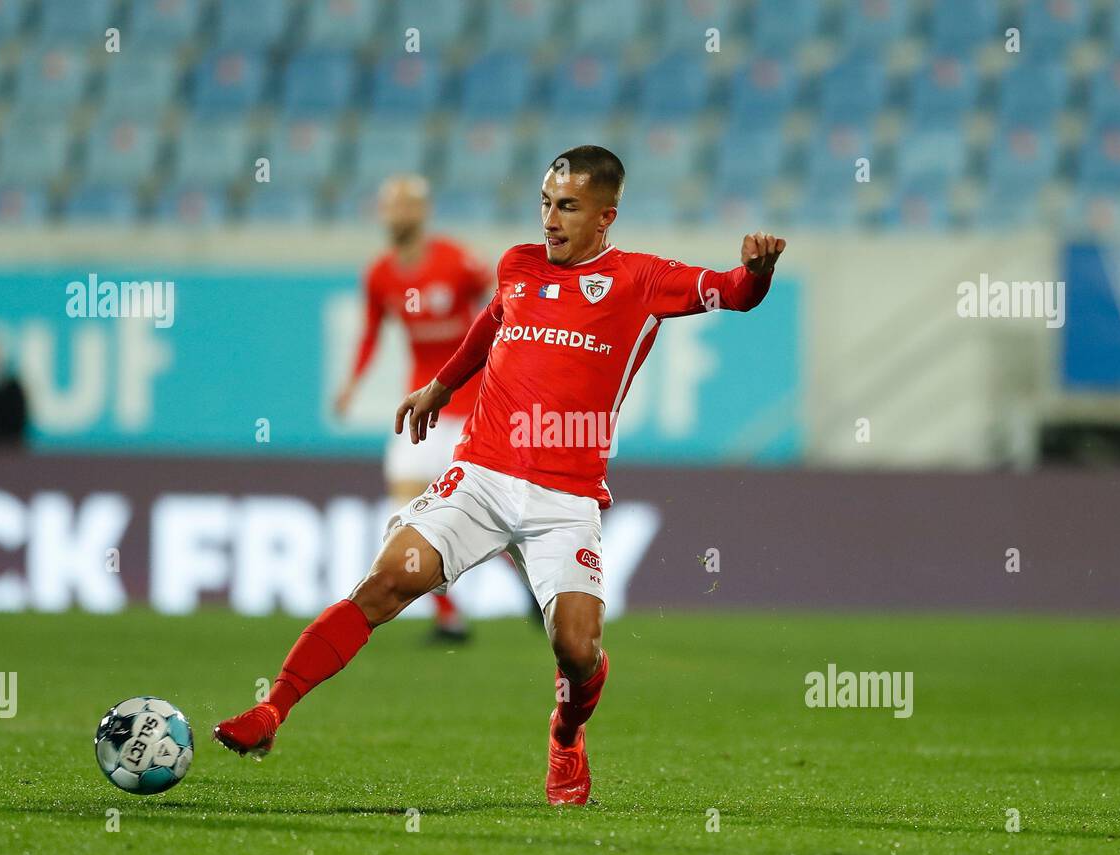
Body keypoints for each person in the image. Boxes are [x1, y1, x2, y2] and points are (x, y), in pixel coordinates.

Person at [216, 145, 785, 805]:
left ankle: (566, 735)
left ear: (606, 216)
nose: (550, 219)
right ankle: (270, 712)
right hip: (482, 475)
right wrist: (440, 385)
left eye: (567, 207)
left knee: (577, 648)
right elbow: (491, 324)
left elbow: (735, 293)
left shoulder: (643, 279)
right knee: (388, 579)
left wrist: (758, 270)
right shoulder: (518, 265)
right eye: (545, 203)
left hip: (564, 495)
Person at [334, 175, 492, 642]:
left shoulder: (457, 261)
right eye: (389, 205)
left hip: (470, 402)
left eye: (405, 205)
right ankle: (449, 616)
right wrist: (351, 386)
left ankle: (524, 582)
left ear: (421, 212)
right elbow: (370, 334)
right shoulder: (380, 274)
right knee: (405, 508)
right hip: (420, 403)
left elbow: (505, 304)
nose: (396, 214)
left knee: (475, 508)